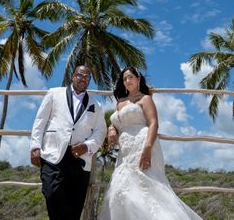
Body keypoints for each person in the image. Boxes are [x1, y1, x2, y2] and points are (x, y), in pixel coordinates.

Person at [98, 67, 202, 219]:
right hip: (125, 151)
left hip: (142, 144)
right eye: (125, 79)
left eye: (130, 77)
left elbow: (153, 123)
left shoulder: (145, 99)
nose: (127, 81)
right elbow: (117, 121)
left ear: (138, 79)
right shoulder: (120, 101)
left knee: (145, 188)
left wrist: (147, 149)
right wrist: (111, 128)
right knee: (119, 190)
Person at [30, 65, 107, 220]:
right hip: (53, 154)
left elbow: (101, 131)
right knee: (51, 194)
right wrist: (35, 146)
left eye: (87, 77)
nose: (83, 78)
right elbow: (40, 121)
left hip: (79, 159)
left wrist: (87, 146)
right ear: (73, 77)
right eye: (80, 75)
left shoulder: (96, 105)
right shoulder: (53, 93)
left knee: (75, 205)